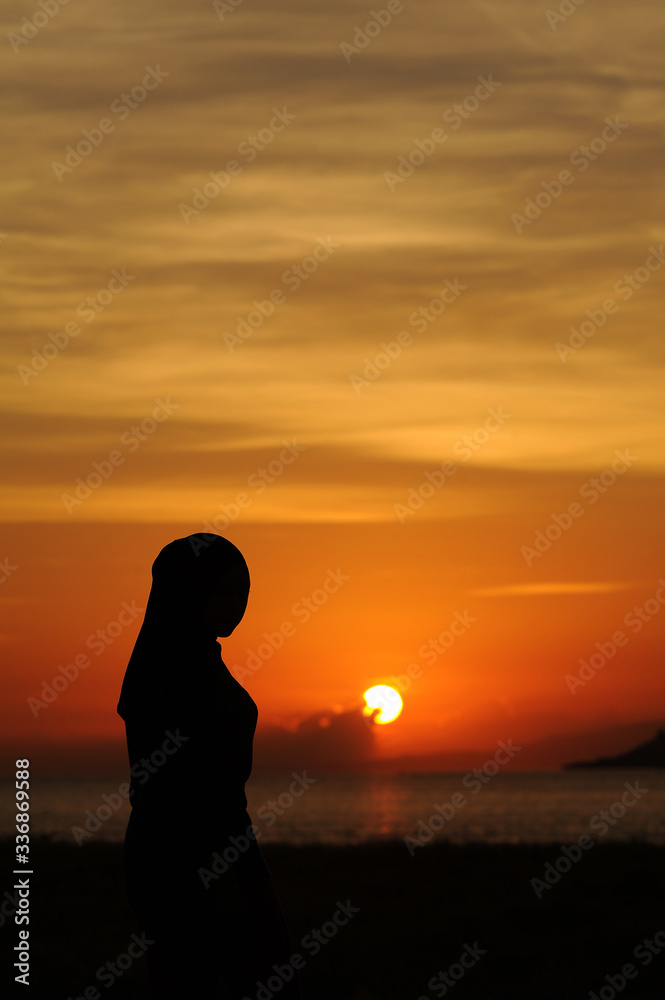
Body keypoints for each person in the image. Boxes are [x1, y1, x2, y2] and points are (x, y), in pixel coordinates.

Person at [117, 532, 301, 999]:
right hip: (187, 852)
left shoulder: (195, 660)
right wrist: (242, 877)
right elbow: (192, 791)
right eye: (223, 591)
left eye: (244, 593)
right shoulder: (179, 671)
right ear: (187, 589)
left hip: (201, 845)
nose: (236, 605)